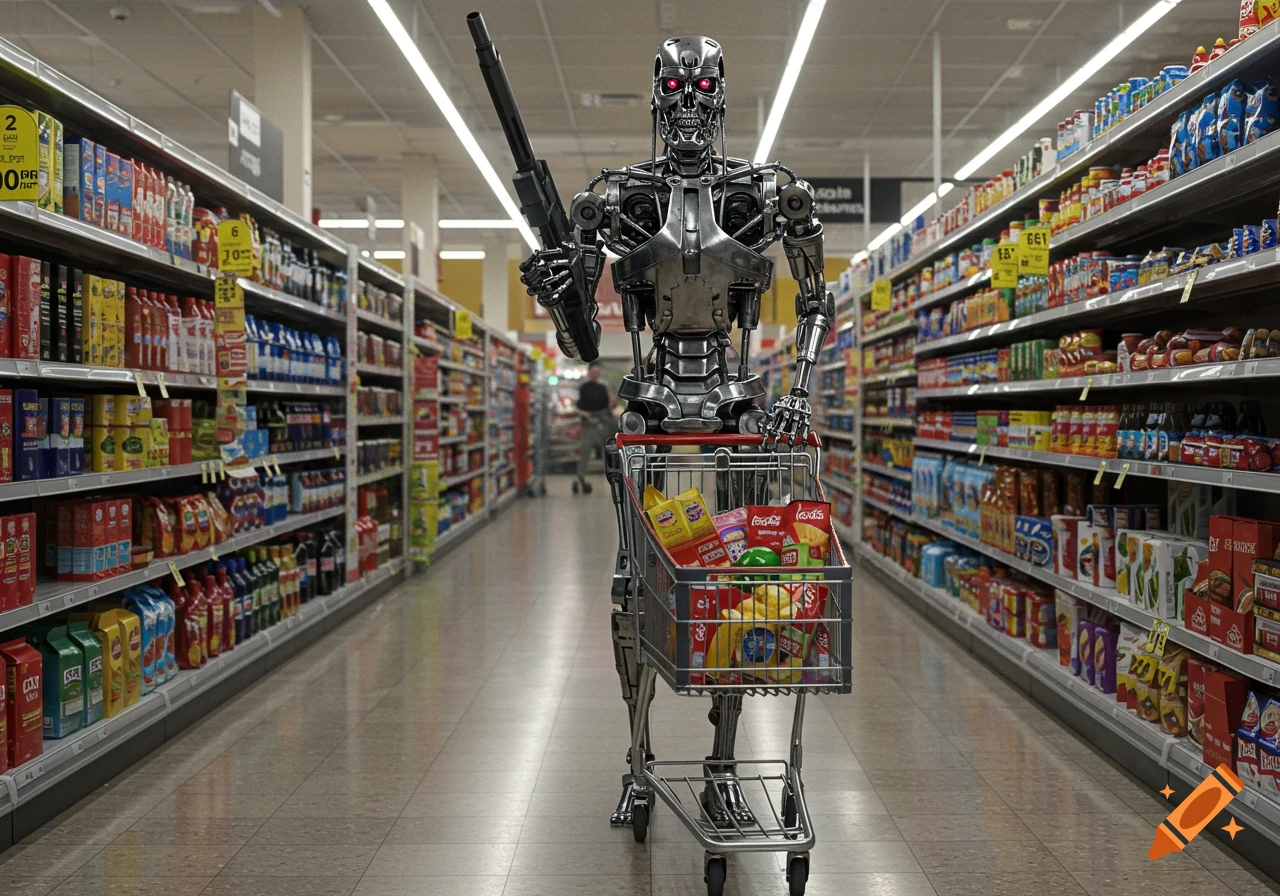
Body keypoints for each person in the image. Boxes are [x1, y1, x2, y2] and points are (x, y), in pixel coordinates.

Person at [574, 362, 614, 494]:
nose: (595, 374)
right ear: (589, 372)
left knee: (607, 452)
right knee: (585, 451)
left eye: (597, 372)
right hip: (588, 423)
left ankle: (611, 477)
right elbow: (577, 406)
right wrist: (584, 415)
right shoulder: (583, 387)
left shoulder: (603, 387)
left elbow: (611, 404)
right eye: (593, 372)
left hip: (603, 422)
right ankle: (580, 477)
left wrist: (608, 389)